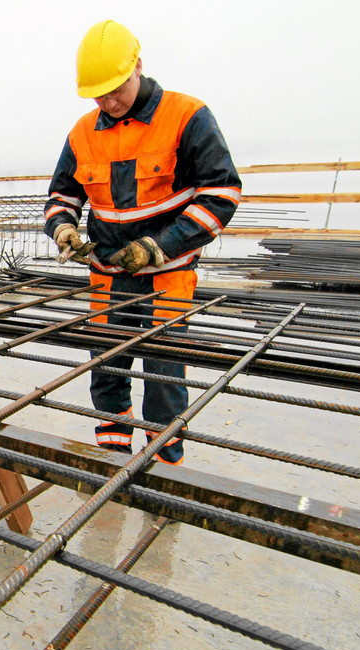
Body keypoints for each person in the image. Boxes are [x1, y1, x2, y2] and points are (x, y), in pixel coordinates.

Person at [43, 20, 242, 465]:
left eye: (117, 89)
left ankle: (164, 467)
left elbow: (222, 193)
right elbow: (61, 197)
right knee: (107, 371)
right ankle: (114, 460)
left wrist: (161, 246)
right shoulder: (82, 132)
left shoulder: (186, 116)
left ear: (138, 66)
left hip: (167, 276)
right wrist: (64, 229)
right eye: (100, 95)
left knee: (164, 376)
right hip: (108, 276)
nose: (109, 102)